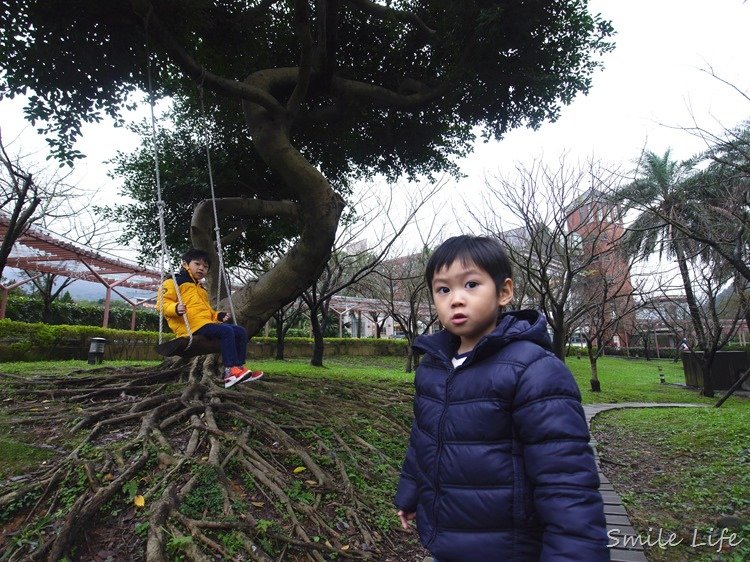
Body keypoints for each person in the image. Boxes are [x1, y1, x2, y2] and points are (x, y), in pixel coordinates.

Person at [394, 235, 609, 561]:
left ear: (504, 292)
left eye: (471, 284)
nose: (456, 299)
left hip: (509, 546)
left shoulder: (534, 370)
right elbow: (423, 440)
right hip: (446, 539)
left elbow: (565, 480)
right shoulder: (433, 367)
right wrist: (409, 495)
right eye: (443, 289)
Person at [160, 248, 264, 389]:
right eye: (197, 264)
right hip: (190, 327)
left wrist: (218, 316)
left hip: (204, 323)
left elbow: (206, 311)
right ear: (185, 264)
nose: (201, 268)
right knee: (227, 332)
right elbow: (162, 304)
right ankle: (230, 371)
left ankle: (239, 368)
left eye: (205, 266)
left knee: (240, 331)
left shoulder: (201, 288)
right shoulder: (173, 282)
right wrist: (175, 308)